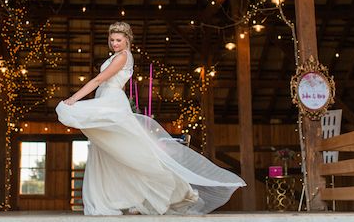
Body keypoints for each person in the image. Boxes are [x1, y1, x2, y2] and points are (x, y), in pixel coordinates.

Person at [56, 22, 245, 215]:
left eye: (118, 40)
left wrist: (73, 98)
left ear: (127, 40)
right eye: (112, 40)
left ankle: (164, 189)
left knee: (129, 150)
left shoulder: (122, 57)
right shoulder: (117, 56)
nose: (114, 43)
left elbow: (98, 80)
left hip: (111, 102)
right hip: (107, 100)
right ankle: (118, 198)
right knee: (108, 150)